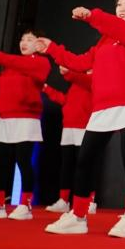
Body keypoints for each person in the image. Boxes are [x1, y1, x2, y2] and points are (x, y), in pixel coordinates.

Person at [38, 0, 125, 238]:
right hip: (102, 107)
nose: (122, 8)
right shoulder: (105, 39)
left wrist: (92, 15)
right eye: (119, 3)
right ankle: (78, 216)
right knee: (85, 160)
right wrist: (51, 48)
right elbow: (80, 62)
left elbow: (116, 27)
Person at [0, 30, 50, 220]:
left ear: (39, 44)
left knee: (23, 163)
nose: (24, 42)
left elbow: (19, 63)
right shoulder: (12, 66)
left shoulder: (41, 63)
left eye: (29, 39)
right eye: (22, 39)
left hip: (26, 120)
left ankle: (25, 205)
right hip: (6, 120)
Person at [42, 67, 97, 214]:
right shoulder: (77, 82)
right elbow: (65, 101)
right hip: (68, 127)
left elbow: (83, 80)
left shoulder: (94, 80)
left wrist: (69, 72)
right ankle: (63, 201)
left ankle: (90, 201)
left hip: (84, 128)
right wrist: (47, 88)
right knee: (66, 166)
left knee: (85, 166)